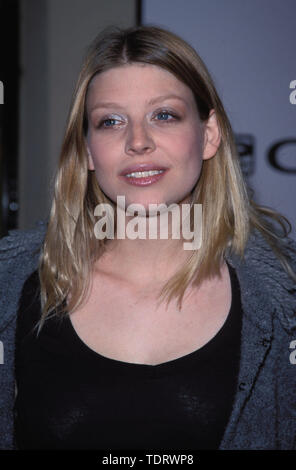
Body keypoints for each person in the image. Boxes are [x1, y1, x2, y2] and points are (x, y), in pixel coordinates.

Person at [0, 25, 295, 451]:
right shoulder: (12, 284)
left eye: (164, 115)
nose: (138, 141)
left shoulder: (282, 304)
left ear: (208, 135)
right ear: (87, 149)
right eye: (111, 121)